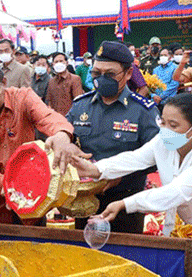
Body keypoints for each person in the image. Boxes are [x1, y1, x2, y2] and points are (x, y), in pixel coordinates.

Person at [72, 93, 192, 248]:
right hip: (191, 233)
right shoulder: (164, 142)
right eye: (163, 122)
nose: (165, 130)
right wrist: (95, 169)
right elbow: (134, 158)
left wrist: (125, 204)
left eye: (173, 125)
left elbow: (175, 192)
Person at [0, 56, 78, 224]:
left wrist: (62, 134)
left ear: (4, 82)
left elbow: (48, 117)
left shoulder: (23, 97)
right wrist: (11, 189)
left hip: (32, 196)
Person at [68, 41, 160, 234]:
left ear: (128, 74)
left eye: (110, 74)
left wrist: (121, 176)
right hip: (85, 200)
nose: (102, 79)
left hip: (125, 201)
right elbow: (66, 138)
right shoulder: (80, 106)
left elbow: (159, 157)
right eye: (96, 73)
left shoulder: (143, 110)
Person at [46, 52, 84, 116]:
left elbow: (78, 102)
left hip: (70, 118)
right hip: (55, 119)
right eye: (56, 62)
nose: (59, 64)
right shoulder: (51, 81)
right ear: (53, 64)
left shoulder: (75, 79)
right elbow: (49, 101)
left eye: (61, 61)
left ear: (66, 63)